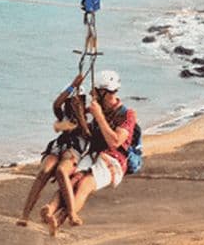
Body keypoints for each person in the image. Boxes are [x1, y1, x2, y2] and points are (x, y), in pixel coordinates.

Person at [41, 69, 137, 235]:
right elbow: (75, 121)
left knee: (85, 184)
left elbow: (115, 141)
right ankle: (50, 210)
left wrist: (99, 116)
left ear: (104, 92)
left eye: (96, 91)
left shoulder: (127, 115)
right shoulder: (94, 108)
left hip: (114, 160)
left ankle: (61, 218)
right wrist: (74, 97)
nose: (93, 94)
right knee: (71, 181)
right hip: (93, 155)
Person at [17, 73, 91, 226]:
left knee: (61, 171)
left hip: (74, 148)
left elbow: (87, 134)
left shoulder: (89, 116)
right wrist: (73, 86)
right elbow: (56, 105)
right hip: (59, 146)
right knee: (45, 171)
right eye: (69, 102)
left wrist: (80, 116)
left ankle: (71, 213)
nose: (71, 105)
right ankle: (25, 215)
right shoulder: (63, 114)